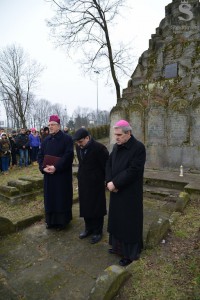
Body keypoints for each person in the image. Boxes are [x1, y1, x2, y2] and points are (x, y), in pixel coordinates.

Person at [106, 120, 146, 266]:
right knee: (117, 221)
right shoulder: (116, 147)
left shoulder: (138, 148)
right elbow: (109, 165)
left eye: (119, 135)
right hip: (116, 191)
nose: (116, 138)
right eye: (115, 134)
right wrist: (109, 182)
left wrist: (115, 183)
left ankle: (129, 253)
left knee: (128, 223)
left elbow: (133, 171)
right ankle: (117, 248)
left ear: (128, 133)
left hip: (130, 193)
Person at [38, 115, 74, 231]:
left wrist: (56, 167)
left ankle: (62, 222)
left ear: (58, 126)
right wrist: (42, 168)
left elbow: (68, 156)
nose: (50, 127)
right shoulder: (46, 140)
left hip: (61, 175)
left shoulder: (67, 139)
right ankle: (51, 221)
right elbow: (40, 155)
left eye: (53, 125)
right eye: (49, 125)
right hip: (48, 175)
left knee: (61, 197)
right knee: (50, 198)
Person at [73, 128, 109, 244]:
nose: (79, 144)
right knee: (85, 206)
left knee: (97, 207)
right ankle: (88, 228)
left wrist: (105, 181)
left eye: (81, 142)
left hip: (96, 183)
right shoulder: (78, 147)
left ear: (87, 138)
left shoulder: (100, 148)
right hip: (83, 181)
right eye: (77, 142)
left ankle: (98, 231)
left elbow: (106, 167)